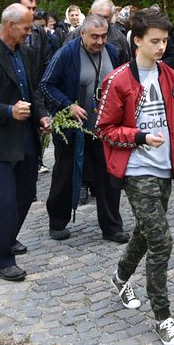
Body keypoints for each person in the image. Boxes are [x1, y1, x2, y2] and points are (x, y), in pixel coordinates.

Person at [97, 8, 174, 345]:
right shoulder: (118, 80)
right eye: (155, 42)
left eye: (165, 41)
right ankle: (163, 317)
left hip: (163, 167)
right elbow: (104, 129)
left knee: (145, 233)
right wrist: (140, 138)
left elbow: (170, 117)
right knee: (161, 239)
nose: (162, 48)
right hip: (135, 168)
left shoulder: (170, 77)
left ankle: (119, 277)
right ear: (138, 41)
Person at [0, 3, 51, 281]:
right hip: (1, 139)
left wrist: (42, 116)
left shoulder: (26, 52)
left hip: (27, 135)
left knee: (26, 194)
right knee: (6, 199)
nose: (30, 32)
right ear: (9, 25)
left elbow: (34, 91)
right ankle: (2, 258)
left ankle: (8, 235)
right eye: (26, 27)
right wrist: (8, 111)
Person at [40, 14, 128, 242]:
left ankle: (112, 227)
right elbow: (46, 85)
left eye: (103, 36)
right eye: (94, 37)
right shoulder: (67, 54)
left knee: (109, 179)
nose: (100, 42)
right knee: (65, 176)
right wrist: (68, 106)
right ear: (82, 34)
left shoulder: (112, 52)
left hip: (104, 130)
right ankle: (57, 222)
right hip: (73, 130)